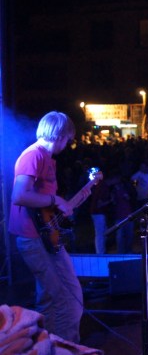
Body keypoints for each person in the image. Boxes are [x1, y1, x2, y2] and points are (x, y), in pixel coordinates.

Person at [9, 111, 90, 342]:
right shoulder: (34, 155)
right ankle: (61, 349)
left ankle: (55, 346)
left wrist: (66, 204)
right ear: (61, 135)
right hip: (33, 238)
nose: (68, 144)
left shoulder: (45, 157)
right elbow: (19, 195)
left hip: (44, 235)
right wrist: (56, 200)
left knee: (60, 295)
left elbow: (41, 203)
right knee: (61, 298)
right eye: (68, 139)